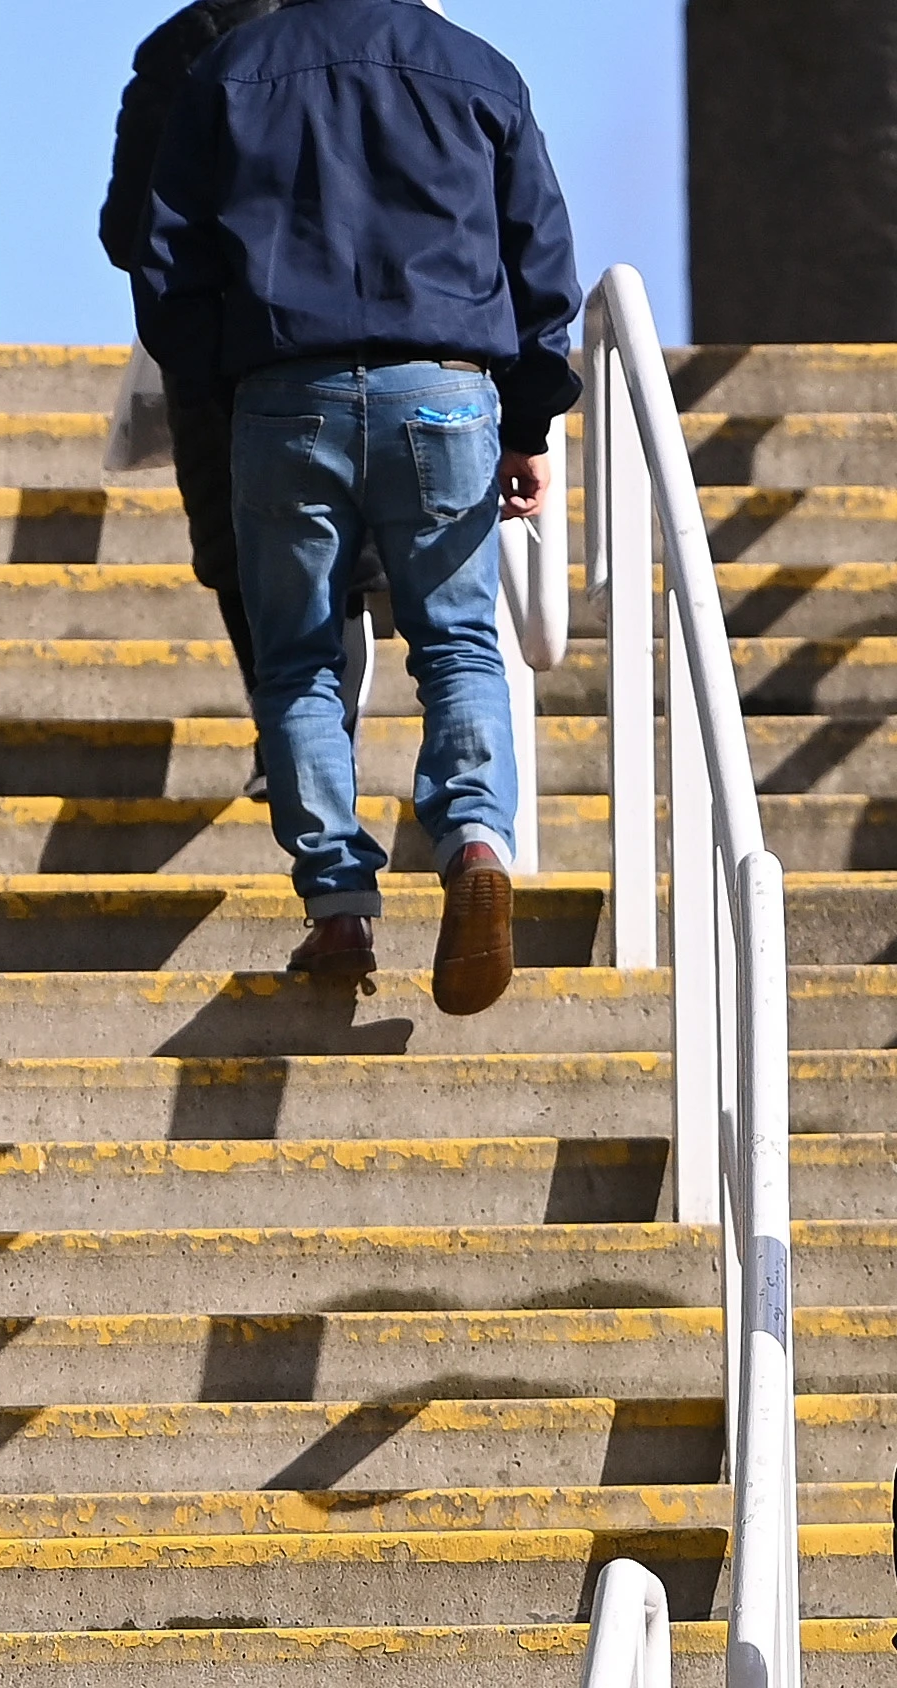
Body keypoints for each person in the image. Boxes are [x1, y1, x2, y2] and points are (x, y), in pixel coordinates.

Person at [133, 0, 579, 1012]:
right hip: (444, 390)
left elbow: (164, 257)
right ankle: (474, 837)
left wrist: (221, 381)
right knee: (459, 645)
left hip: (284, 394)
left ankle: (338, 905)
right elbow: (540, 259)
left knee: (297, 658)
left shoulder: (233, 69)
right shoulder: (476, 67)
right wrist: (530, 420)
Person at [102, 0, 299, 687]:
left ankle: (280, 740)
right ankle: (331, 724)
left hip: (215, 351)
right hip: (346, 344)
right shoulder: (390, 44)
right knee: (339, 551)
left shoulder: (175, 54)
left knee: (239, 544)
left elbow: (126, 229)